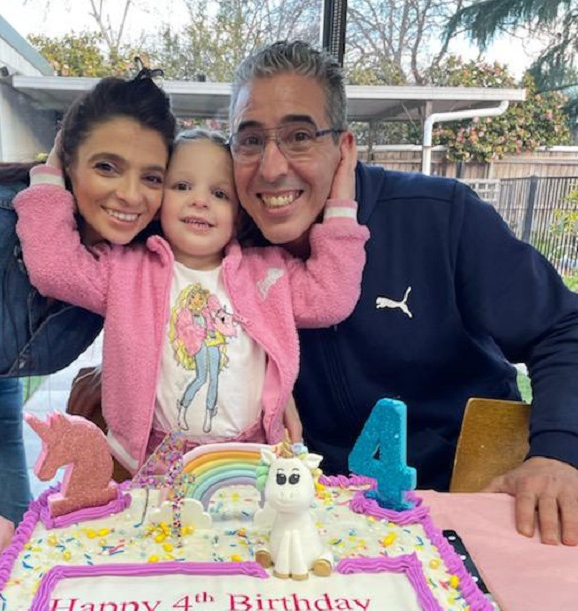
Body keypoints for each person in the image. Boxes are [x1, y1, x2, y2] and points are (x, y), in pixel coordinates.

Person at [226, 39, 578, 547]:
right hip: (308, 519)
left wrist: (558, 453)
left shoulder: (440, 215)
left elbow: (563, 327)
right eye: (250, 140)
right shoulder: (230, 245)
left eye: (300, 136)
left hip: (467, 499)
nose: (271, 166)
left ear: (344, 147)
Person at [0, 66, 176, 525]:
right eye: (107, 167)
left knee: (6, 546)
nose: (130, 195)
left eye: (152, 177)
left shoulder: (135, 264)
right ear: (66, 163)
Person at [14, 126, 368, 474]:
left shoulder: (268, 274)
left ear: (239, 212)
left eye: (219, 193)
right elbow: (52, 266)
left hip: (251, 458)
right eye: (182, 186)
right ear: (157, 200)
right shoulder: (124, 272)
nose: (200, 200)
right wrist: (53, 168)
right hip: (152, 461)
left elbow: (331, 297)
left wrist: (341, 202)